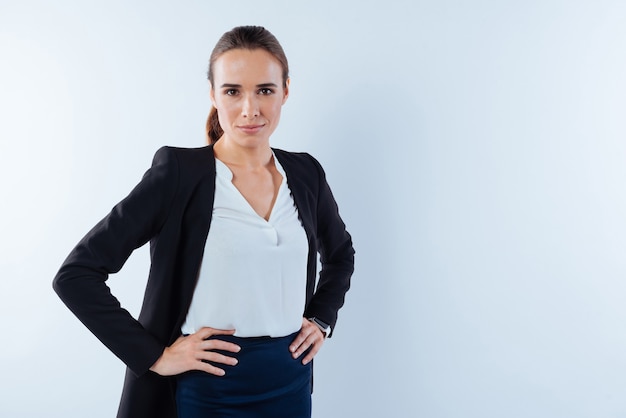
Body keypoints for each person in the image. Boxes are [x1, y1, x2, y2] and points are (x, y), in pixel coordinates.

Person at [53, 25, 355, 418]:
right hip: (209, 387)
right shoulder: (179, 174)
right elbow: (76, 275)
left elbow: (340, 254)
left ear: (285, 91)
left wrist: (321, 318)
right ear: (213, 94)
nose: (250, 109)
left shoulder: (305, 173)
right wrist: (155, 356)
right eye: (233, 91)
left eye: (265, 90)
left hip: (290, 382)